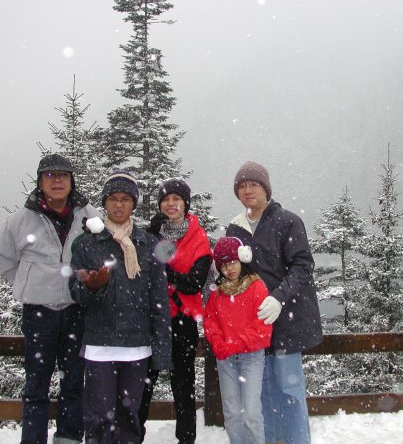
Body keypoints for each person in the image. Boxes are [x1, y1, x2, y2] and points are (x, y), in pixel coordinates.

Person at [0, 153, 101, 444]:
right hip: (38, 312)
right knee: (36, 383)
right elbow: (5, 260)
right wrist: (30, 284)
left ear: (71, 181)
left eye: (63, 175)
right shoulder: (20, 220)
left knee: (74, 381)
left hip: (76, 310)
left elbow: (101, 254)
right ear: (40, 182)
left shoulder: (88, 215)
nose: (57, 181)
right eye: (50, 175)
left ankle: (68, 439)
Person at [69, 171, 172, 444]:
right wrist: (92, 287)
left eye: (125, 199)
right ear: (104, 203)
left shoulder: (148, 244)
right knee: (99, 418)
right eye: (113, 198)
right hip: (99, 345)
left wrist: (162, 350)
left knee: (129, 417)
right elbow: (76, 294)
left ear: (133, 204)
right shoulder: (88, 244)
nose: (118, 204)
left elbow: (160, 301)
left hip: (137, 346)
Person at [226, 161, 323, 444]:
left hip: (287, 323)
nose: (248, 190)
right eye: (242, 186)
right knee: (261, 391)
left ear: (266, 189)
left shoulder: (287, 221)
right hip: (254, 325)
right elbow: (228, 271)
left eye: (254, 184)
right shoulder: (235, 228)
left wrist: (279, 298)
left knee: (288, 388)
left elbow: (303, 266)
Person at [138, 178, 212, 444]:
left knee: (183, 386)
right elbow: (140, 270)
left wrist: (164, 270)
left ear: (185, 204)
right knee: (142, 384)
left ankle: (186, 439)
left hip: (183, 320)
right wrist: (152, 237)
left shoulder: (198, 238)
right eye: (166, 199)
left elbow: (194, 283)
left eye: (176, 199)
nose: (171, 204)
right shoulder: (151, 235)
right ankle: (134, 436)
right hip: (152, 318)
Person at [203, 236, 272, 444]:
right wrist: (218, 343)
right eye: (224, 265)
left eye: (233, 262)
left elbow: (262, 327)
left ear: (243, 260)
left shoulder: (257, 287)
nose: (229, 269)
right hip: (226, 359)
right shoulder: (217, 293)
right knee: (231, 413)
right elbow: (210, 320)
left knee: (251, 413)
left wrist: (235, 344)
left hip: (251, 358)